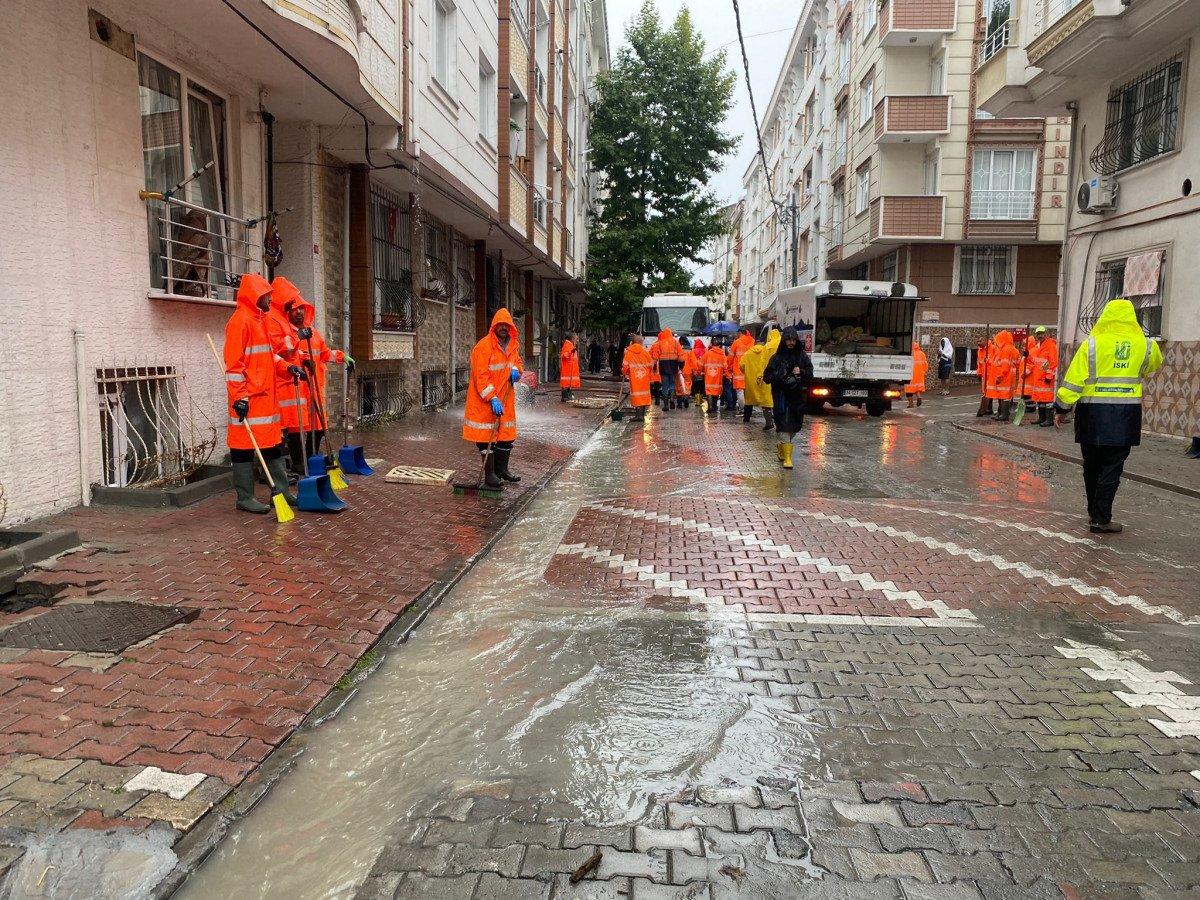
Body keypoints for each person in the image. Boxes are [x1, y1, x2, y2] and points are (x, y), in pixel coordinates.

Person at [1055, 298, 1162, 534]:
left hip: (1092, 415)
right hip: (1124, 417)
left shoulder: (1091, 345)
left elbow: (1073, 381)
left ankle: (1094, 513)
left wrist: (1062, 409)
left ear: (1105, 317)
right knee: (1112, 468)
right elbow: (1153, 365)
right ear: (1132, 318)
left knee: (1091, 466)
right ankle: (1101, 519)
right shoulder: (1146, 346)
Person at [223, 273, 303, 513]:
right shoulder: (240, 322)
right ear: (255, 296)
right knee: (243, 449)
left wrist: (287, 367)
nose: (271, 300)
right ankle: (244, 498)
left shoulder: (261, 321)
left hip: (266, 400)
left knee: (272, 446)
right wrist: (239, 398)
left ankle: (283, 492)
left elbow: (271, 357)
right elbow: (234, 365)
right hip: (249, 400)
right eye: (267, 296)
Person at [465, 309, 524, 489]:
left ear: (511, 328)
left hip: (505, 398)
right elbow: (480, 376)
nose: (504, 328)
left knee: (506, 436)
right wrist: (492, 398)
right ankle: (489, 475)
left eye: (507, 325)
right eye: (501, 325)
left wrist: (517, 371)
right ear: (494, 326)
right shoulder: (483, 347)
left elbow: (518, 362)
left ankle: (502, 470)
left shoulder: (513, 345)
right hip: (485, 401)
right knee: (485, 438)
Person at [763, 326, 814, 470]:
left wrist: (801, 371)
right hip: (781, 397)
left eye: (793, 340)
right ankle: (788, 458)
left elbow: (810, 374)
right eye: (788, 340)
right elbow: (767, 376)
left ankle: (783, 446)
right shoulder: (776, 358)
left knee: (794, 427)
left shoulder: (802, 357)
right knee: (784, 424)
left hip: (797, 397)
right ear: (784, 341)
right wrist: (778, 375)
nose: (791, 342)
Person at [741, 326, 780, 431]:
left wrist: (760, 375)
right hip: (782, 376)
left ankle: (768, 422)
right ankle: (779, 423)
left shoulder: (766, 347)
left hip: (764, 377)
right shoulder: (783, 344)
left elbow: (761, 364)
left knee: (764, 401)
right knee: (778, 400)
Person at [1026, 326, 1057, 427]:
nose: (1040, 335)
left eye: (1042, 333)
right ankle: (1041, 418)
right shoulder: (1038, 346)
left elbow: (1052, 362)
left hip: (1046, 378)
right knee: (1040, 399)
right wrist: (1028, 356)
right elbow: (1035, 361)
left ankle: (1049, 419)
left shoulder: (1050, 346)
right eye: (1038, 334)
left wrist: (1049, 375)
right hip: (1038, 377)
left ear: (1046, 334)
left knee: (1048, 399)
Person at [621, 332, 654, 422]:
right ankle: (641, 415)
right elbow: (651, 364)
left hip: (635, 377)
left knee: (636, 395)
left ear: (633, 342)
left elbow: (625, 365)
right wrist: (648, 372)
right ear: (641, 342)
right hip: (644, 377)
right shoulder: (645, 352)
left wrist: (624, 372)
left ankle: (638, 416)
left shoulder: (629, 352)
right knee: (643, 395)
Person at [987, 331, 1020, 421]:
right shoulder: (1013, 349)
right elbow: (1017, 363)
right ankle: (1002, 413)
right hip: (1009, 375)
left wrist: (1000, 376)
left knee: (1004, 395)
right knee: (1005, 395)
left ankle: (1004, 414)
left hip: (1004, 376)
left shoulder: (1005, 349)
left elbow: (1005, 365)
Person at [650, 327, 684, 410]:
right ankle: (672, 398)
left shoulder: (659, 343)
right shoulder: (676, 343)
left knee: (665, 385)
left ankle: (665, 405)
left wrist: (653, 367)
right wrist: (681, 366)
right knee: (672, 383)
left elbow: (655, 357)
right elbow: (681, 356)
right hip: (673, 364)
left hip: (663, 365)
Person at [728, 327, 754, 413]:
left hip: (738, 370)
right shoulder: (753, 341)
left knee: (740, 391)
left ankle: (743, 409)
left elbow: (730, 357)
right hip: (750, 369)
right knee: (748, 390)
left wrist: (728, 367)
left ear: (740, 333)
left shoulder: (736, 342)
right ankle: (749, 408)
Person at [702, 340, 727, 415]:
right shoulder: (722, 355)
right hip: (718, 376)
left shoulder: (707, 354)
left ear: (712, 345)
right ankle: (714, 406)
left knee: (709, 390)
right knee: (716, 390)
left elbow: (700, 363)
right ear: (719, 345)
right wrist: (727, 374)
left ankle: (710, 407)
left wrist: (698, 371)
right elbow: (726, 366)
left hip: (708, 375)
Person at [905, 343, 928, 408]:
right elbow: (925, 364)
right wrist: (925, 371)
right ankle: (919, 397)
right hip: (920, 373)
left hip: (911, 374)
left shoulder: (910, 353)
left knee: (909, 389)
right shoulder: (922, 354)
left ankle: (910, 404)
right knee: (917, 387)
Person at [559, 334, 581, 402]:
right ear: (572, 339)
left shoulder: (570, 345)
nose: (577, 340)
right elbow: (564, 355)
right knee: (566, 383)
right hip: (567, 370)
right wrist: (571, 352)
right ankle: (565, 396)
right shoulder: (567, 345)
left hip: (570, 369)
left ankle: (567, 395)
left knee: (568, 384)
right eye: (576, 339)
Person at [975, 337, 993, 417]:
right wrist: (979, 373)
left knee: (990, 392)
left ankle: (989, 409)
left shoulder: (992, 348)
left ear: (985, 340)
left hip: (991, 374)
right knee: (985, 393)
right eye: (978, 341)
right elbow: (979, 363)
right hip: (984, 375)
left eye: (980, 341)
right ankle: (988, 409)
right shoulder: (979, 350)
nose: (978, 343)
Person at [677, 337, 696, 410]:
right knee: (687, 385)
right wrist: (695, 370)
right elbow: (693, 362)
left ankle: (679, 404)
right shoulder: (690, 350)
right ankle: (686, 398)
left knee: (679, 385)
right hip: (688, 371)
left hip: (679, 371)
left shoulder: (678, 350)